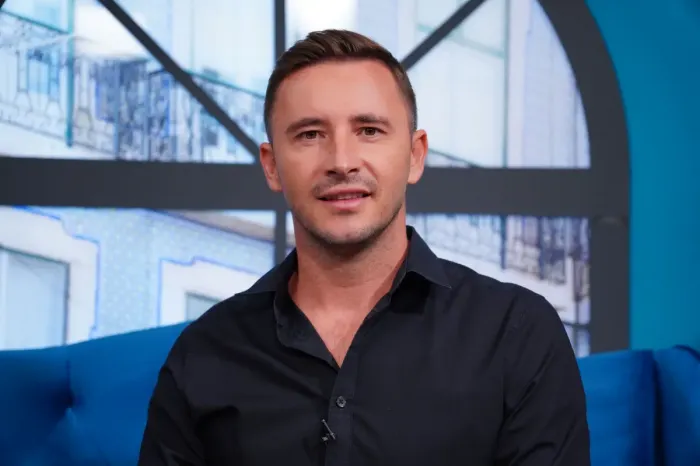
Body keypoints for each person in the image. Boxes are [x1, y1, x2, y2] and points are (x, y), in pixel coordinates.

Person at [138, 29, 590, 465]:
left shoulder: (517, 335)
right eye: (310, 134)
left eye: (369, 130)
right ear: (272, 166)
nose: (341, 162)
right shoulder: (205, 353)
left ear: (415, 155)